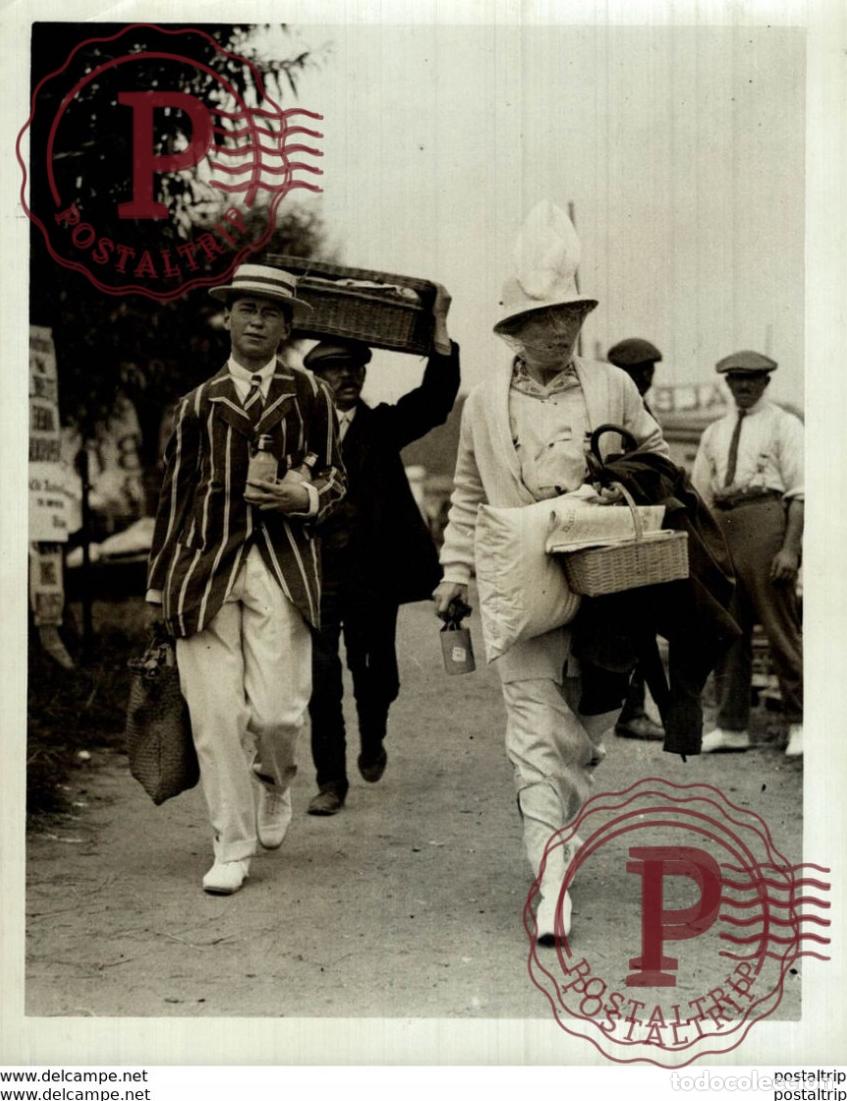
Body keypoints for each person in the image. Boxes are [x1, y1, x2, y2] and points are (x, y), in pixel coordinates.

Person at [433, 206, 669, 943]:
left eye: (566, 314)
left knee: (586, 732)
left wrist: (618, 485)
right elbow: (467, 495)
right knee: (534, 733)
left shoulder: (612, 389)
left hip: (606, 583)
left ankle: (554, 821)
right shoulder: (481, 403)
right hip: (519, 581)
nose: (556, 330)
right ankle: (552, 882)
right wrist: (455, 571)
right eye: (540, 319)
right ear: (514, 327)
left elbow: (659, 464)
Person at [146, 263, 346, 894]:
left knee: (281, 713)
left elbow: (337, 479)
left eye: (270, 312)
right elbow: (172, 501)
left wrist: (305, 497)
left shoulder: (312, 395)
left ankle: (276, 782)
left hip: (282, 567)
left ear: (287, 326)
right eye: (246, 309)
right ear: (227, 318)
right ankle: (230, 847)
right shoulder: (197, 405)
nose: (257, 321)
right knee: (214, 717)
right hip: (202, 570)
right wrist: (157, 589)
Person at [303, 327, 460, 815]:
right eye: (334, 368)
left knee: (377, 676)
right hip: (316, 575)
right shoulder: (297, 430)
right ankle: (331, 780)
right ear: (317, 376)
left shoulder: (383, 426)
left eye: (355, 367)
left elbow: (435, 401)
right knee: (320, 678)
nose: (347, 376)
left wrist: (442, 340)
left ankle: (374, 735)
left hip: (373, 577)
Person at [691, 350, 803, 758]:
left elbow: (799, 494)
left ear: (766, 382)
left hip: (766, 525)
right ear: (726, 382)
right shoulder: (714, 432)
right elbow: (700, 496)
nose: (744, 386)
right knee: (727, 632)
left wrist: (790, 549)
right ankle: (731, 725)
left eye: (752, 379)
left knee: (780, 630)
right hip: (724, 531)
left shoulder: (784, 425)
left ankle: (800, 722)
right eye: (736, 378)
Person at [606, 337, 665, 741]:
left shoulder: (634, 411)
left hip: (635, 525)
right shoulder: (619, 412)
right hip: (619, 526)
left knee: (638, 619)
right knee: (637, 621)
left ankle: (629, 708)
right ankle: (630, 711)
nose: (646, 379)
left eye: (648, 371)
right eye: (638, 372)